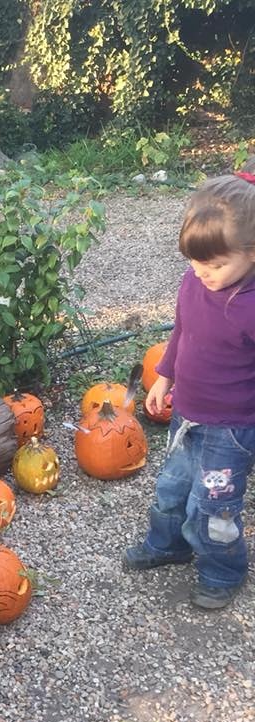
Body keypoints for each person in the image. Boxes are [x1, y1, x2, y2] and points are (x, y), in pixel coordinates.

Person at [124, 169, 255, 610]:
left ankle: (223, 571)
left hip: (230, 430)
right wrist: (164, 375)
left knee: (213, 507)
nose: (201, 273)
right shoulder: (194, 281)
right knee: (172, 487)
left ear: (252, 253)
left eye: (215, 265)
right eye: (195, 262)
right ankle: (168, 545)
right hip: (186, 415)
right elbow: (182, 331)